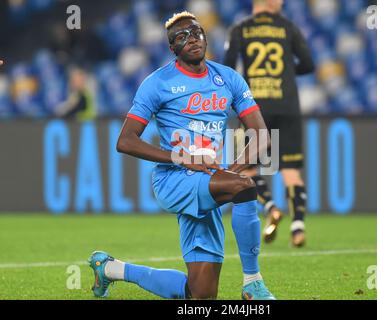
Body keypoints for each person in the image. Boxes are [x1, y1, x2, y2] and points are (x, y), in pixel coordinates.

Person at [88, 11, 275, 300]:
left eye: (197, 32)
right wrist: (183, 158)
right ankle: (253, 282)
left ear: (206, 37)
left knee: (200, 296)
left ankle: (111, 268)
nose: (192, 39)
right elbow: (125, 141)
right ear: (172, 48)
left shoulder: (228, 79)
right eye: (181, 37)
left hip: (210, 180)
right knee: (245, 187)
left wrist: (230, 170)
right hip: (174, 179)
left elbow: (262, 134)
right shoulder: (157, 82)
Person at [224, 0, 315, 247]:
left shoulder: (240, 29)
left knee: (249, 167)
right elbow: (308, 63)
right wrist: (284, 72)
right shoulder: (288, 27)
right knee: (290, 170)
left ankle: (272, 208)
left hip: (255, 108)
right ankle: (298, 228)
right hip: (287, 106)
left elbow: (228, 68)